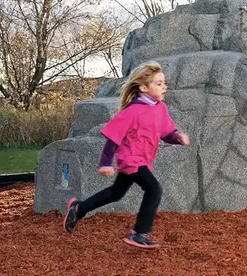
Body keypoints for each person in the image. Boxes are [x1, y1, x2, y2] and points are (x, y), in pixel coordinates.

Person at [62, 62, 189, 249]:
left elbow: (166, 133)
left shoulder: (160, 108)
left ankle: (79, 208)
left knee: (116, 193)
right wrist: (105, 163)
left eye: (164, 83)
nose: (164, 87)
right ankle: (139, 233)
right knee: (154, 189)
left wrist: (177, 138)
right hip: (131, 160)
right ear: (143, 87)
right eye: (159, 83)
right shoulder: (131, 112)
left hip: (143, 160)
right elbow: (113, 138)